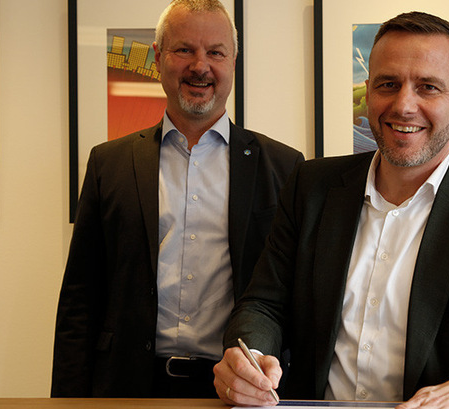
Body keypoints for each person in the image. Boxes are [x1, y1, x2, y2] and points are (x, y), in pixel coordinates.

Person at [213, 11, 449, 409]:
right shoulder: (311, 187)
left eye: (428, 87)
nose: (403, 105)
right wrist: (249, 358)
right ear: (368, 91)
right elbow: (264, 304)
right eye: (388, 84)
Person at [51, 0, 303, 398]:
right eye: (184, 49)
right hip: (127, 386)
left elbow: (290, 298)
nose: (200, 66)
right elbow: (80, 301)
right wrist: (66, 401)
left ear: (233, 61)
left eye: (215, 52)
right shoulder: (108, 163)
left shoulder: (284, 167)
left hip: (238, 389)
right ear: (157, 57)